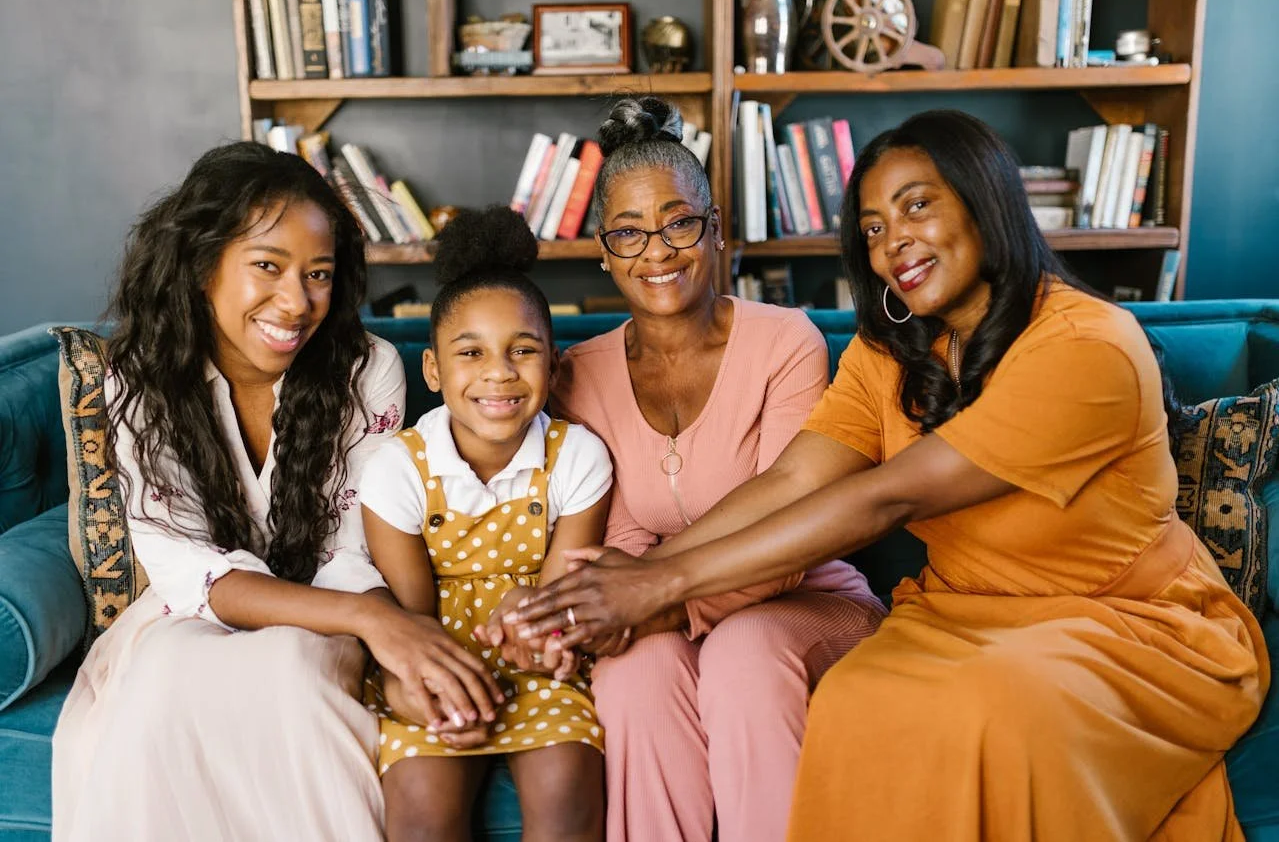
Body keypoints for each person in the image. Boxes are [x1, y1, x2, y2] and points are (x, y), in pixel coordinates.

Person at [510, 110, 1269, 840]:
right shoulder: (889, 351)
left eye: (915, 207)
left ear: (984, 204)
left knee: (987, 708)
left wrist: (659, 583)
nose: (892, 243)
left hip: (1123, 623)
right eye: (872, 227)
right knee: (855, 698)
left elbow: (887, 494)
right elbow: (788, 481)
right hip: (959, 615)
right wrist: (634, 578)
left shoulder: (1087, 345)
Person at [52, 142, 506, 841]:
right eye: (267, 265)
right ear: (204, 264)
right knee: (163, 677)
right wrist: (382, 624)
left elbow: (355, 546)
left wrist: (375, 622)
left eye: (318, 274)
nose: (296, 303)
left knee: (293, 672)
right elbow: (185, 569)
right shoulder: (142, 376)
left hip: (332, 609)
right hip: (195, 615)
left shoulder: (367, 370)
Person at [541, 96, 887, 842]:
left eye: (679, 222)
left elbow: (790, 538)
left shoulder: (784, 342)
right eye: (628, 232)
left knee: (740, 651)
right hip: (653, 604)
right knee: (633, 674)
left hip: (808, 602)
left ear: (716, 228)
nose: (656, 251)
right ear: (602, 249)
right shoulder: (577, 375)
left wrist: (654, 603)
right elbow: (620, 548)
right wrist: (619, 608)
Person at [358, 205, 612, 842]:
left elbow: (561, 594)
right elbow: (411, 618)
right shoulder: (398, 468)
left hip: (536, 661)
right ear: (434, 370)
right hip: (433, 661)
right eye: (470, 353)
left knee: (567, 800)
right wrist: (431, 687)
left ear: (553, 367)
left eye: (522, 351)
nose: (499, 372)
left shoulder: (577, 456)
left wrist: (540, 624)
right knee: (420, 817)